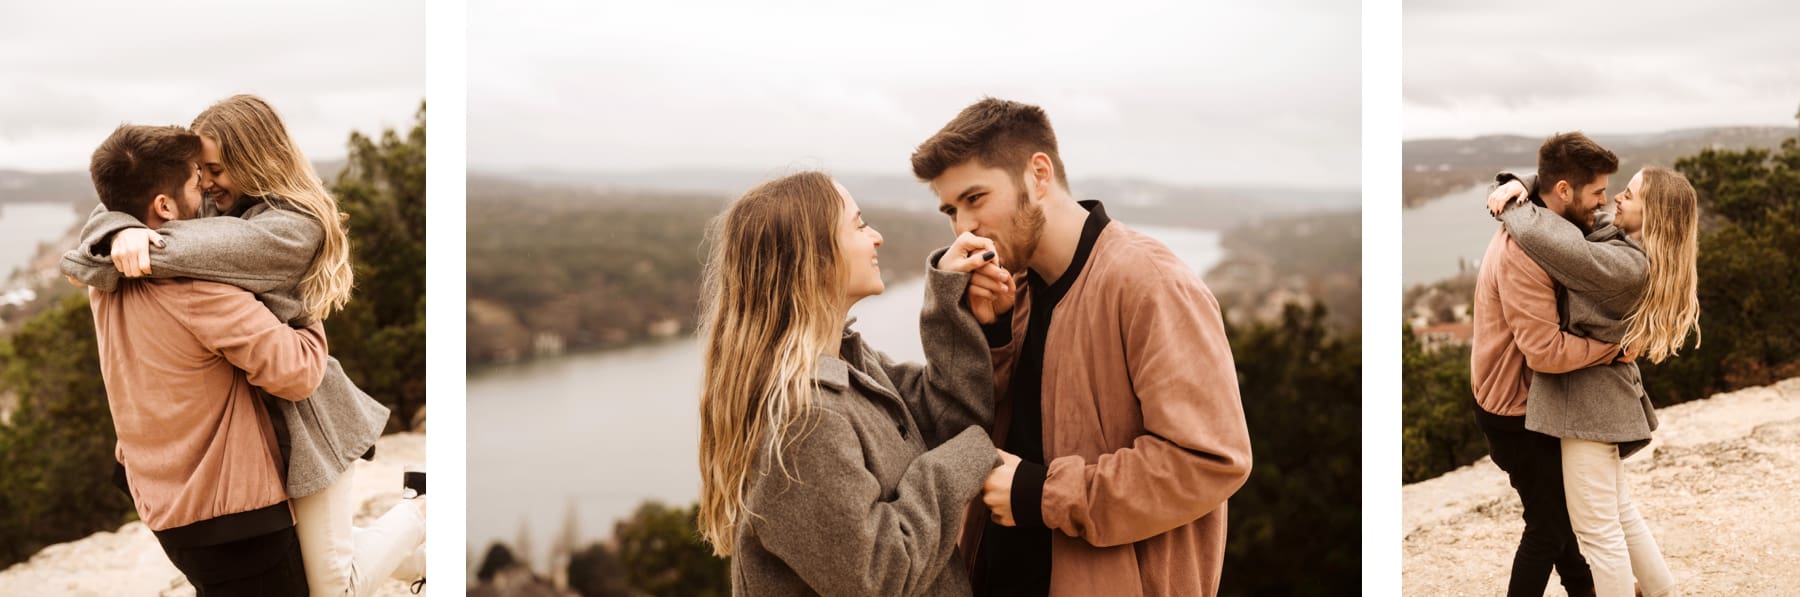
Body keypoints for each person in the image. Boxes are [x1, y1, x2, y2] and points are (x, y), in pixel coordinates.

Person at [61, 95, 424, 596]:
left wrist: (135, 239)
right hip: (260, 419)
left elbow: (131, 250)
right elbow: (124, 199)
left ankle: (422, 509)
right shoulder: (212, 204)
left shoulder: (294, 226)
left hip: (308, 413)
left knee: (333, 585)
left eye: (213, 169)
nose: (206, 184)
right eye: (198, 173)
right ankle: (425, 560)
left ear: (253, 161)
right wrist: (119, 226)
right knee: (323, 559)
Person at [912, 97, 1252, 596]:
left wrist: (1041, 493)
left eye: (976, 198)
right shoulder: (1014, 290)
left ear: (1039, 174)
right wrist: (991, 334)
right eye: (950, 210)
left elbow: (1211, 460)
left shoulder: (1149, 282)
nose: (963, 227)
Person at [695, 171, 1009, 595]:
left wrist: (949, 296)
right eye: (859, 225)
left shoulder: (851, 365)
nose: (876, 237)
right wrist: (971, 455)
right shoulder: (805, 419)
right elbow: (878, 575)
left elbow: (953, 415)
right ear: (816, 259)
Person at [85, 123, 321, 595]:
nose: (207, 191)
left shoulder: (102, 276)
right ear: (164, 206)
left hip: (159, 499)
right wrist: (308, 310)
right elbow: (298, 373)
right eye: (197, 181)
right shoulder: (198, 289)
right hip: (235, 514)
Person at [1485, 158, 1700, 597]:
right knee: (1621, 514)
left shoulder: (1623, 265)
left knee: (1599, 533)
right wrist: (1524, 183)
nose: (1617, 196)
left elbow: (1544, 236)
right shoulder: (1627, 248)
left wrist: (1511, 196)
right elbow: (1569, 204)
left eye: (1631, 194)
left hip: (1587, 408)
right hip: (1602, 403)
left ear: (1652, 215)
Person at [1469, 131, 1631, 597]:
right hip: (1513, 409)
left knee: (1558, 522)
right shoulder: (1524, 250)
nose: (1602, 203)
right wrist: (1614, 348)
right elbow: (1546, 352)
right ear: (1563, 191)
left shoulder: (1543, 224)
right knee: (1548, 527)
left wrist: (1518, 181)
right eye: (1597, 192)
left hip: (1531, 400)